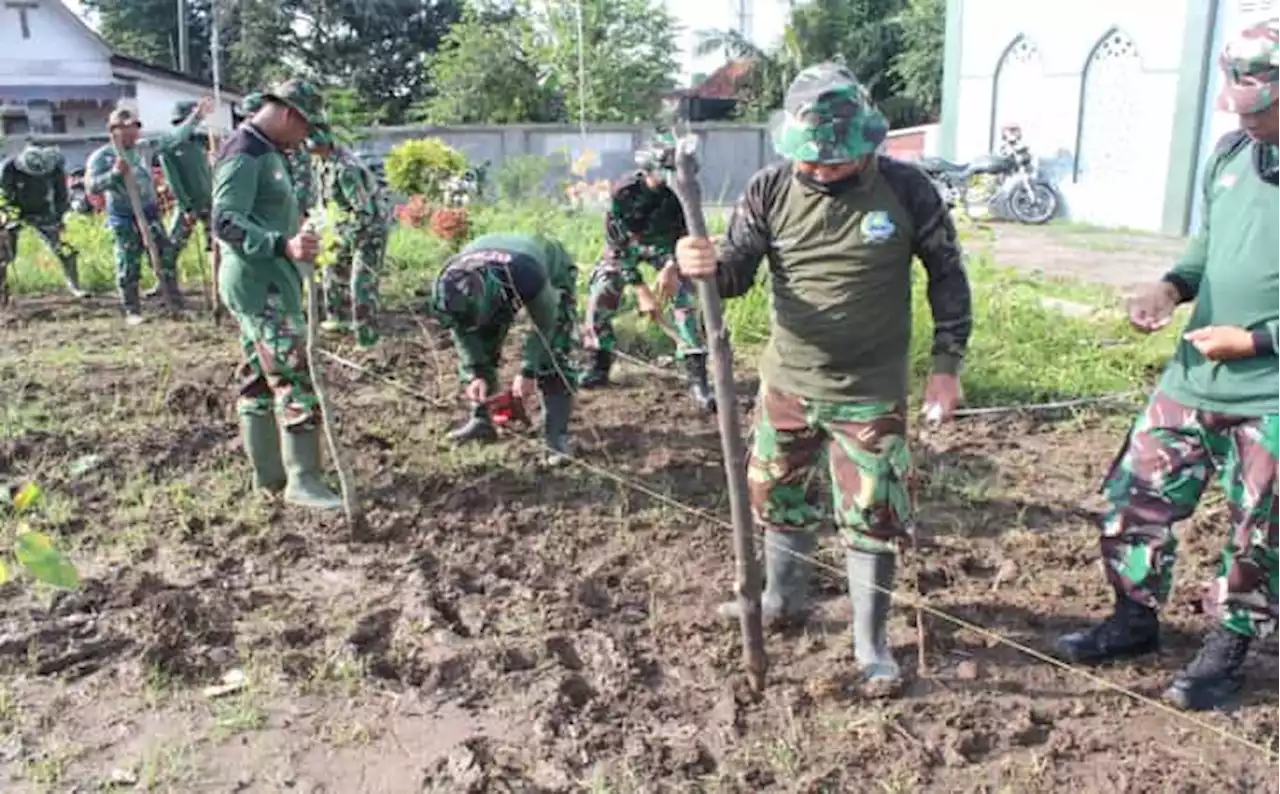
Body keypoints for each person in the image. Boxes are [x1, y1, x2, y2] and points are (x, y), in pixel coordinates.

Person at [674, 62, 972, 695]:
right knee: (776, 497)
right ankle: (782, 602)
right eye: (810, 160)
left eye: (835, 161)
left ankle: (871, 642)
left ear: (865, 142)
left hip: (870, 390)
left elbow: (947, 275)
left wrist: (947, 367)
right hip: (787, 384)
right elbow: (734, 275)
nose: (820, 170)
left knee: (873, 514)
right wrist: (700, 263)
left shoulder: (908, 191)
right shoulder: (769, 190)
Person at [1056, 18, 1280, 713]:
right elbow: (1203, 252)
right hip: (1192, 377)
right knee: (1135, 497)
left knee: (1261, 528)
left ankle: (1230, 645)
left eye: (1262, 109)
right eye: (1241, 105)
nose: (1249, 121)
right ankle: (1134, 618)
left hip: (1270, 391)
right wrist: (1169, 288)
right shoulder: (1230, 155)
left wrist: (1257, 342)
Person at [212, 78, 342, 511]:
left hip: (269, 281)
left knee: (257, 376)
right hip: (259, 283)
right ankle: (304, 481)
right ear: (289, 115)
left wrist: (299, 229)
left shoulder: (269, 151)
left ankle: (268, 477)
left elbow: (268, 210)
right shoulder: (244, 151)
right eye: (306, 129)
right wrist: (280, 245)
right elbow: (225, 222)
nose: (307, 139)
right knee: (293, 376)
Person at [580, 133, 715, 413]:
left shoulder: (685, 192)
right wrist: (642, 291)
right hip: (628, 248)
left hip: (670, 251)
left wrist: (671, 268)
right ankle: (598, 361)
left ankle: (696, 376)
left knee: (686, 298)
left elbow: (689, 235)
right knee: (603, 287)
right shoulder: (625, 192)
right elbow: (617, 244)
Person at [428, 232, 578, 465]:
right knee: (482, 340)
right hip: (497, 279)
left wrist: (529, 370)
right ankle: (481, 421)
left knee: (553, 351)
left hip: (547, 267)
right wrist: (476, 371)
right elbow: (460, 330)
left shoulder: (527, 275)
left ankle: (555, 438)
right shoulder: (444, 289)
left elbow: (545, 324)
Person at [85, 100, 211, 323]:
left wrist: (196, 117)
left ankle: (175, 303)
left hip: (150, 213)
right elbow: (92, 186)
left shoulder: (144, 148)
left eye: (135, 127)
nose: (133, 133)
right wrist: (114, 174)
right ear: (115, 131)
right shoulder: (102, 157)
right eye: (127, 128)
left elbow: (175, 137)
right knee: (128, 262)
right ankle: (132, 310)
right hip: (124, 216)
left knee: (165, 257)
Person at [308, 126, 390, 348]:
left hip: (369, 230)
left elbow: (365, 213)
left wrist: (343, 238)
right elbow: (326, 202)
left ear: (323, 144)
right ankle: (339, 323)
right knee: (331, 272)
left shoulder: (347, 169)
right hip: (343, 227)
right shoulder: (322, 163)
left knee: (360, 284)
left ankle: (367, 338)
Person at [0, 143, 84, 304]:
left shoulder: (54, 168)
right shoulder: (8, 168)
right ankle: (2, 291)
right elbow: (3, 195)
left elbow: (61, 196)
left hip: (44, 211)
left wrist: (60, 219)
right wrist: (6, 215)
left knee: (64, 249)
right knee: (4, 254)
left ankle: (75, 286)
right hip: (14, 211)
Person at [155, 100, 214, 290]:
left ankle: (219, 284)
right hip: (187, 205)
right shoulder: (169, 143)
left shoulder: (197, 145)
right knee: (173, 246)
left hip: (209, 202)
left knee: (218, 244)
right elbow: (174, 181)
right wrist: (186, 207)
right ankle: (165, 284)